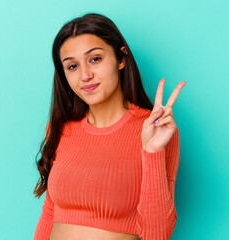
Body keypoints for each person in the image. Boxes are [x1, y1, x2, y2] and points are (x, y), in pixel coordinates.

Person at [32, 12, 186, 240]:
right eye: (72, 66)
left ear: (121, 58)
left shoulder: (156, 131)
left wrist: (152, 152)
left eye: (95, 59)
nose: (85, 75)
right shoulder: (59, 129)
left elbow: (157, 235)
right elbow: (49, 213)